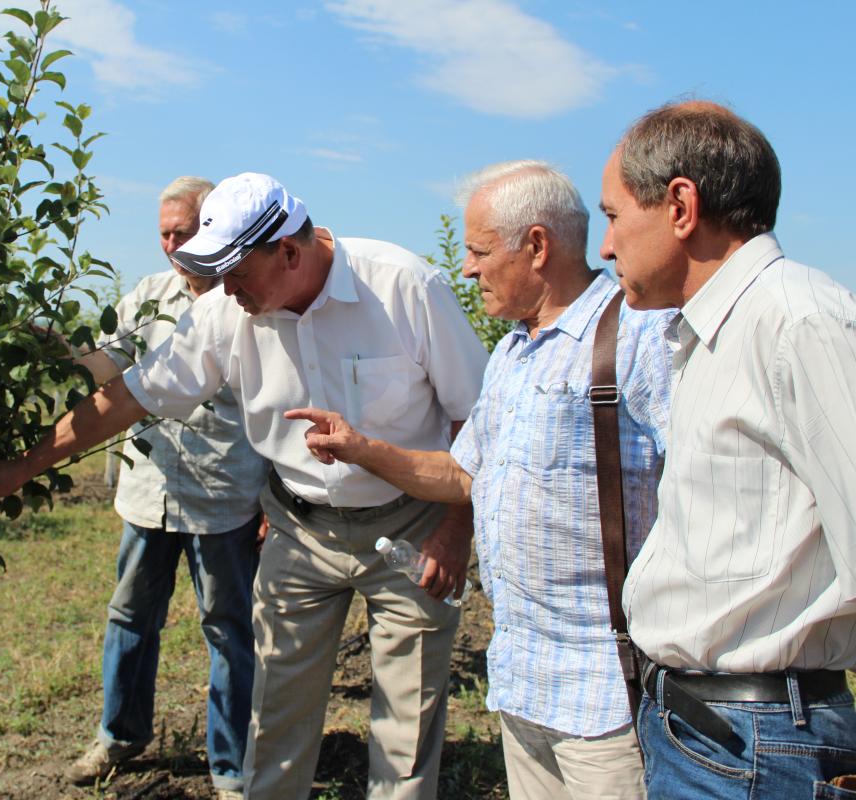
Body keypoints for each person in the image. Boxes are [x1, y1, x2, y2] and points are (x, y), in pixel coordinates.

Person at [0, 172, 488, 799]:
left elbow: (477, 418)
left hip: (413, 524)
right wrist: (24, 466)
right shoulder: (224, 311)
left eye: (237, 275)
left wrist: (455, 527)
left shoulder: (405, 288)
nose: (227, 290)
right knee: (275, 722)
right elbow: (128, 397)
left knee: (405, 735)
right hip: (302, 532)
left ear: (290, 253)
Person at [286, 161, 673, 800]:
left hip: (608, 696)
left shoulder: (637, 337)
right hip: (524, 683)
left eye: (480, 251)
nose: (468, 269)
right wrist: (362, 449)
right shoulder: (512, 355)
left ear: (538, 247)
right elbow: (465, 473)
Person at [598, 100, 856, 797]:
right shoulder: (712, 333)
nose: (606, 246)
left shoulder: (798, 322)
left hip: (761, 742)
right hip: (715, 733)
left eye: (614, 216)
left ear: (681, 206)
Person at [61, 176, 267, 800]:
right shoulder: (145, 299)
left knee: (229, 628)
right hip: (147, 492)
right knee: (129, 614)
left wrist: (272, 499)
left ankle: (231, 766)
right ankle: (120, 735)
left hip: (224, 496)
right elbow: (110, 373)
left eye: (184, 232)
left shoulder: (249, 303)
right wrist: (64, 353)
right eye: (165, 233)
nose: (173, 245)